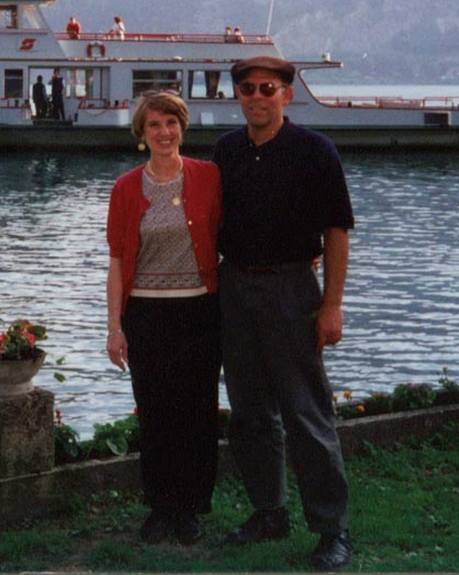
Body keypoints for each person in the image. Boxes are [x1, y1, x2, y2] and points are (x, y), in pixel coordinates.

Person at [212, 55, 355, 571]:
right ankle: (269, 511)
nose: (256, 97)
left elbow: (337, 231)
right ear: (238, 95)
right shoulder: (225, 151)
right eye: (247, 89)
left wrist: (332, 304)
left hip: (293, 289)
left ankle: (332, 529)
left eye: (267, 89)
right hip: (235, 288)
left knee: (306, 411)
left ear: (286, 95)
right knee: (249, 412)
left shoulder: (315, 151)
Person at [105, 91, 222, 545]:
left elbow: (239, 231)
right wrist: (115, 327)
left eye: (171, 123)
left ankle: (190, 508)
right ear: (142, 133)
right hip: (147, 313)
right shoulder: (125, 188)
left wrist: (303, 253)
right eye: (154, 125)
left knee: (197, 412)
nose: (164, 132)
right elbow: (116, 262)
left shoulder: (208, 176)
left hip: (199, 310)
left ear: (183, 127)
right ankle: (160, 506)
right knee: (155, 412)